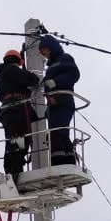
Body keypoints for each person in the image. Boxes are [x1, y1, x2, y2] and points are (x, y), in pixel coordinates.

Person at [0, 48, 39, 178]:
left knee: (13, 140)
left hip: (9, 110)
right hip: (17, 109)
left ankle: (12, 170)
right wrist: (32, 76)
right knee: (18, 141)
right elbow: (31, 80)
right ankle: (14, 170)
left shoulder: (5, 73)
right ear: (17, 61)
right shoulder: (11, 70)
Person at [37, 35, 80, 166]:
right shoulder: (50, 68)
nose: (45, 55)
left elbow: (74, 74)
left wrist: (55, 82)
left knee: (57, 133)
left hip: (63, 101)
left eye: (45, 51)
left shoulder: (64, 59)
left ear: (51, 47)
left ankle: (59, 162)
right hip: (53, 104)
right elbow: (47, 84)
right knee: (60, 133)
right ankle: (69, 160)